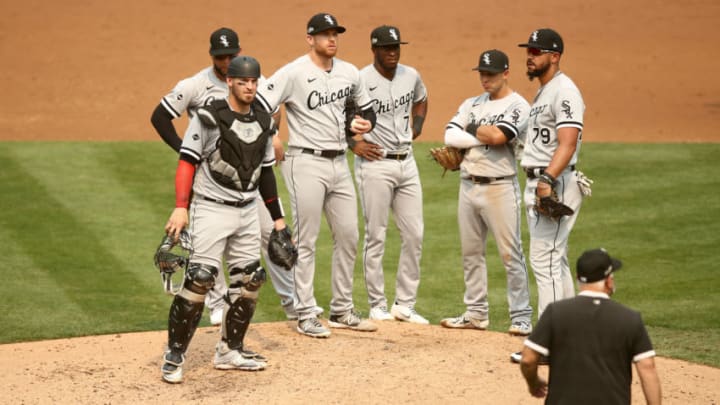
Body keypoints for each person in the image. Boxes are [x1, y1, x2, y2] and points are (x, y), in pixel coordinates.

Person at [150, 27, 301, 324]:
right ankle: (217, 304)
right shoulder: (195, 85)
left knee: (273, 235)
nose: (226, 60)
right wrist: (187, 151)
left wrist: (274, 135)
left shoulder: (252, 81)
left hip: (252, 176)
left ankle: (292, 302)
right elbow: (160, 116)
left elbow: (271, 111)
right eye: (221, 57)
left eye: (231, 54)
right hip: (212, 180)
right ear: (212, 57)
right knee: (212, 242)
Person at [160, 56, 286, 383]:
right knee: (200, 277)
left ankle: (230, 351)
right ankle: (175, 353)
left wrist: (278, 221)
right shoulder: (207, 118)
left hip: (246, 210)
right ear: (229, 81)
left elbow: (266, 175)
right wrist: (180, 207)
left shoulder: (263, 120)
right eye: (243, 82)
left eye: (254, 82)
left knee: (250, 280)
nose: (249, 87)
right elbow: (187, 163)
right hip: (211, 207)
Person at [256, 13, 378, 338]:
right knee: (306, 241)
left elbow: (364, 110)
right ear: (310, 38)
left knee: (349, 236)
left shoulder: (350, 72)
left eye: (335, 33)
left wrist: (364, 124)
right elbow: (261, 102)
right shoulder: (294, 72)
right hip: (304, 163)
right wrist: (273, 133)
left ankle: (341, 310)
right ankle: (306, 313)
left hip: (340, 163)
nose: (332, 38)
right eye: (324, 34)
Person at [439, 49, 533, 335]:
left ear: (506, 73)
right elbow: (448, 135)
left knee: (510, 254)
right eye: (481, 73)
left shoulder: (519, 106)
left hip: (500, 187)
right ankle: (476, 314)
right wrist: (480, 134)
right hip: (468, 186)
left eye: (490, 74)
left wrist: (471, 130)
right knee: (471, 253)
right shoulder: (472, 102)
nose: (485, 78)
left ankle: (521, 317)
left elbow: (499, 136)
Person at [350, 25, 429, 324]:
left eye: (396, 46)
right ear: (375, 50)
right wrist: (353, 144)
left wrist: (418, 126)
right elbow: (340, 115)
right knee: (376, 235)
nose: (393, 52)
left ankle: (405, 304)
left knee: (415, 234)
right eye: (386, 48)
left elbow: (421, 99)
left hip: (407, 163)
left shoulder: (411, 75)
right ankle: (377, 304)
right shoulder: (359, 80)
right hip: (376, 164)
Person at [518, 248, 662, 404]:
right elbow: (647, 367)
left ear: (578, 278)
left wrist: (533, 384)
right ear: (609, 281)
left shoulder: (556, 312)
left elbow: (527, 359)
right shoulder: (630, 318)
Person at [517, 28, 586, 318]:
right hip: (542, 181)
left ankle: (548, 341)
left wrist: (546, 180)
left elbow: (568, 143)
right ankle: (572, 332)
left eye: (536, 52)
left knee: (544, 259)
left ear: (554, 56)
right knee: (554, 260)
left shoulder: (564, 90)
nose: (529, 57)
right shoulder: (545, 91)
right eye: (528, 51)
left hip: (554, 182)